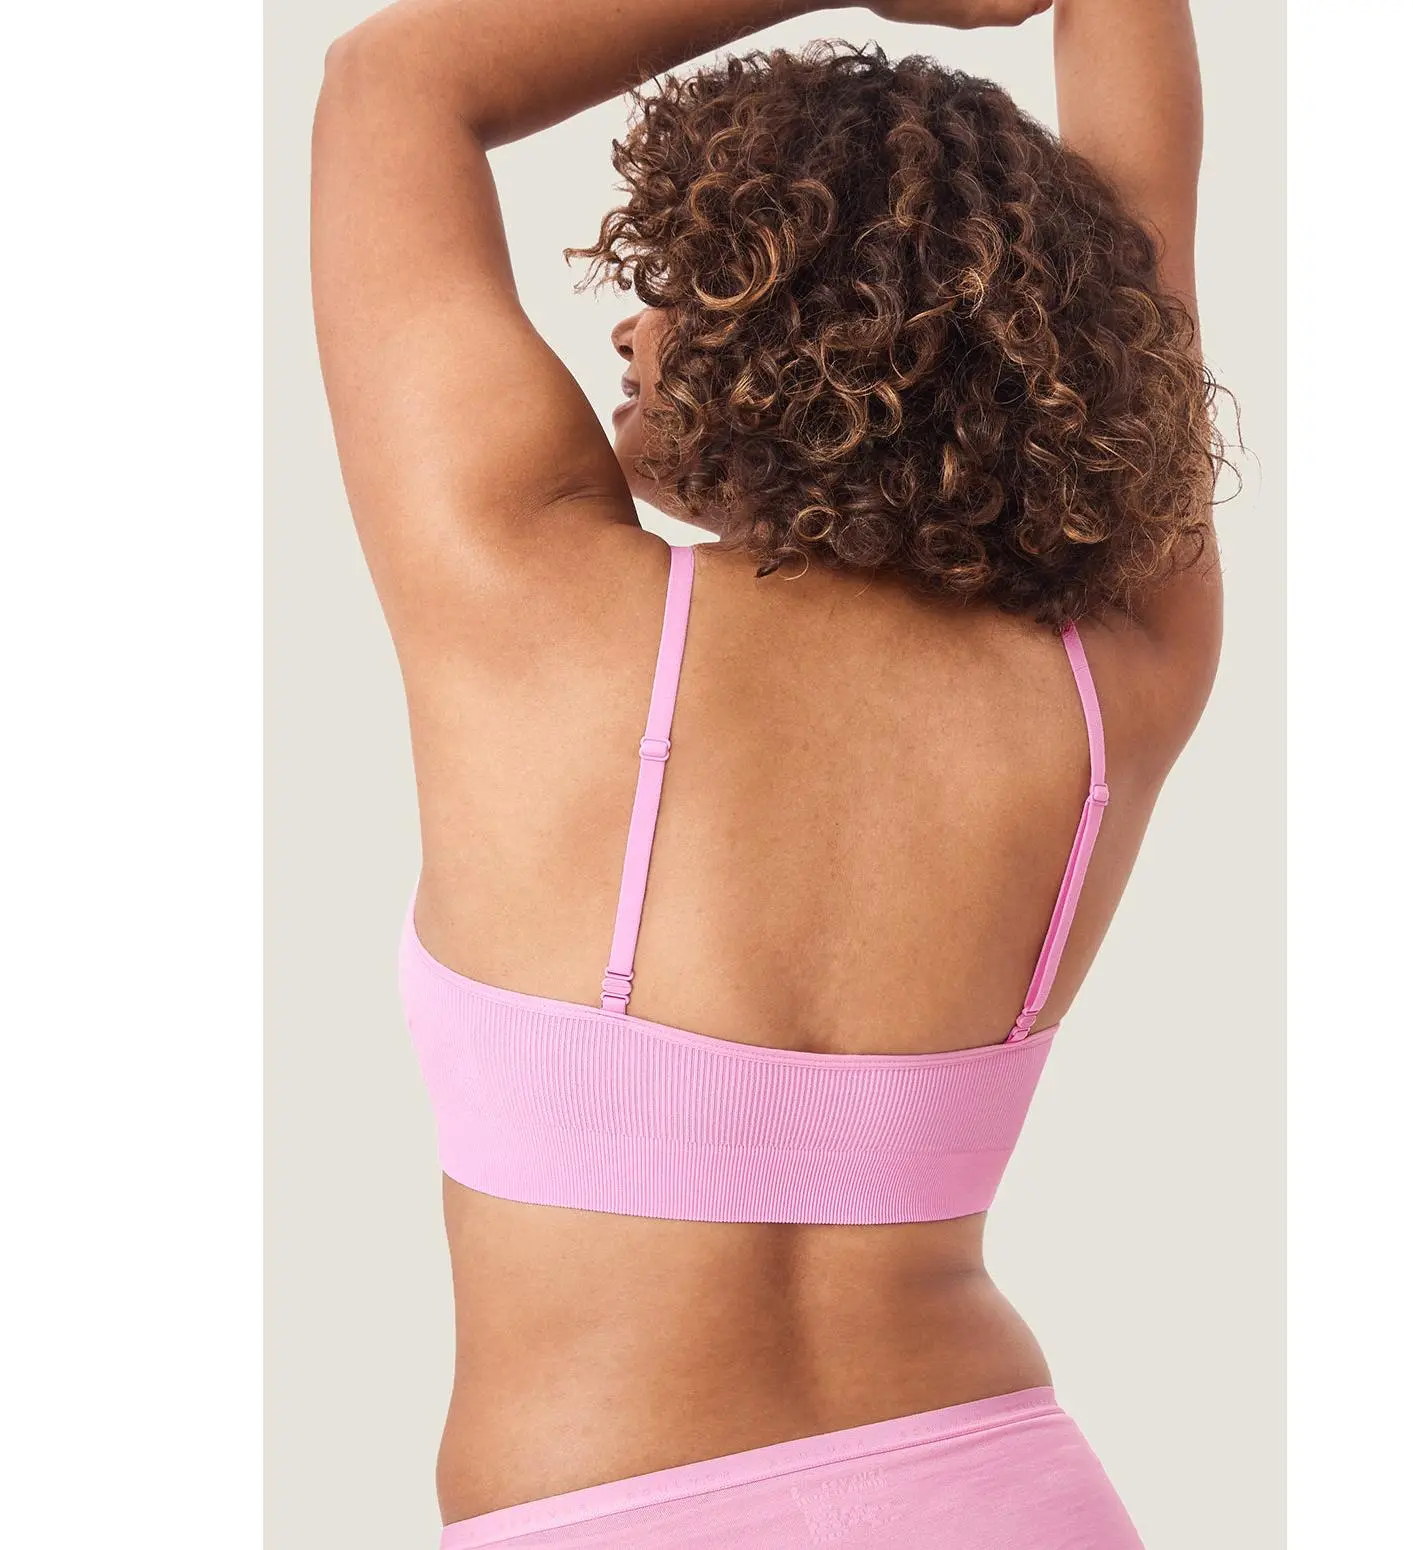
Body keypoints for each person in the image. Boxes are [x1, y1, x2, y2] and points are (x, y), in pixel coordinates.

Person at [311, 0, 1225, 1544]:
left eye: (681, 281)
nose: (629, 329)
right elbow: (1144, 235)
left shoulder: (531, 598)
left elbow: (390, 76)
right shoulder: (1115, 676)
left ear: (774, 321)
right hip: (1000, 1490)